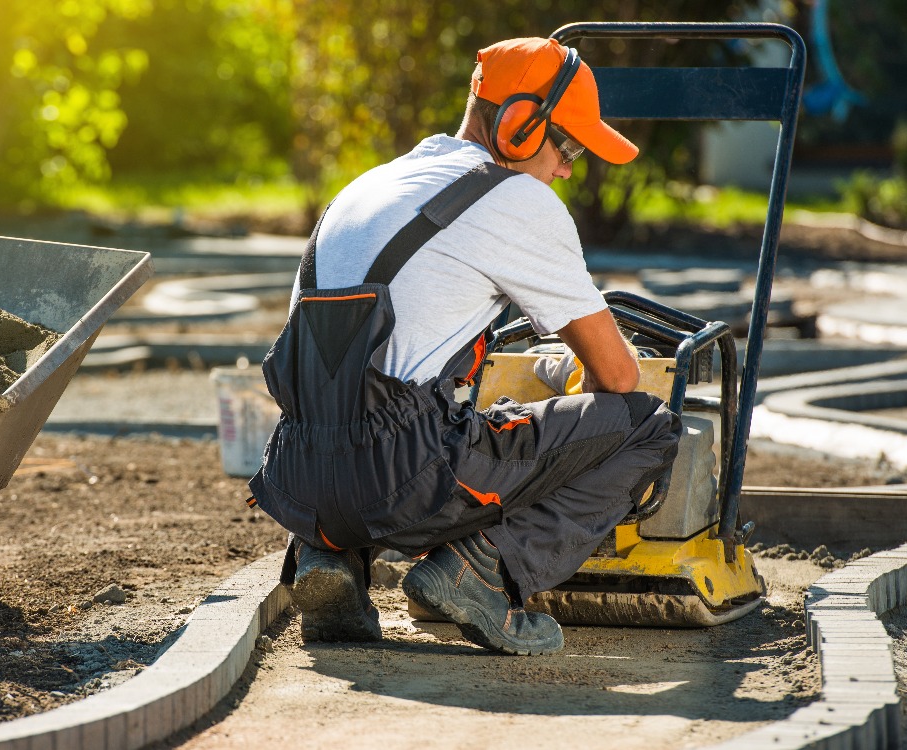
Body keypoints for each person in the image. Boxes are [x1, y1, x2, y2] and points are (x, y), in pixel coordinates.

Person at [248, 37, 682, 656]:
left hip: (296, 474)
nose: (567, 168)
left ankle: (329, 558)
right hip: (404, 478)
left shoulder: (365, 188)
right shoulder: (515, 199)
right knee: (646, 426)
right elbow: (616, 376)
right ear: (520, 124)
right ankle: (481, 571)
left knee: (379, 411)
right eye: (569, 147)